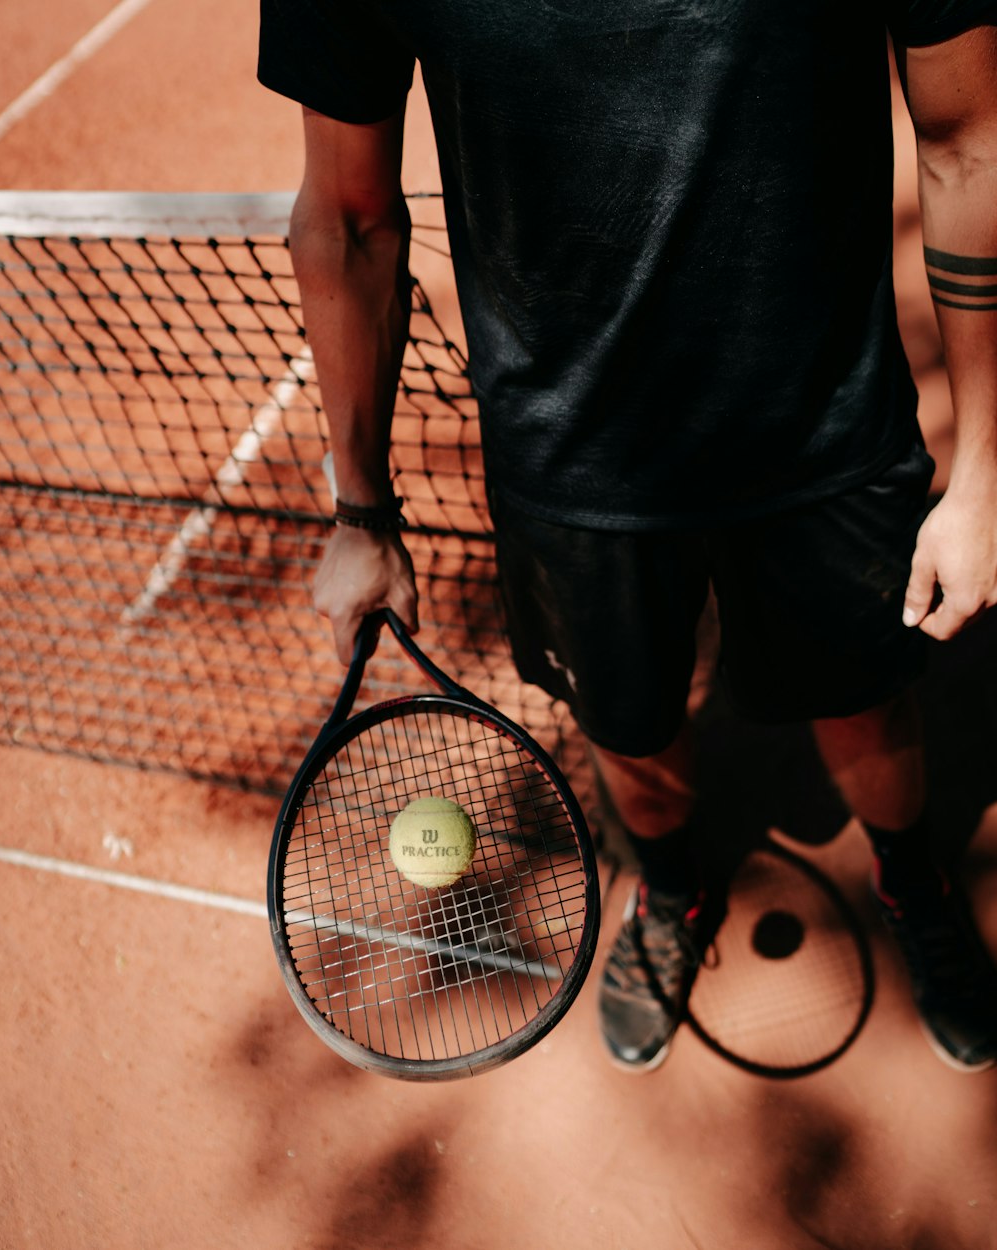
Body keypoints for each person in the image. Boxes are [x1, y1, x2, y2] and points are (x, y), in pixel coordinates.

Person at [258, 1, 997, 1073]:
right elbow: (347, 215)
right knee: (629, 736)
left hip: (825, 427)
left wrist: (980, 468)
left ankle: (907, 875)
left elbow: (966, 136)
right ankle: (670, 885)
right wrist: (361, 513)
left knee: (866, 711)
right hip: (568, 468)